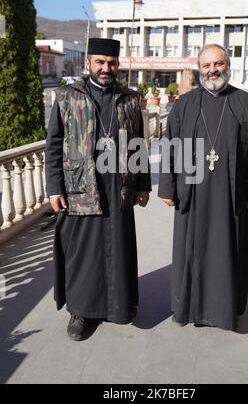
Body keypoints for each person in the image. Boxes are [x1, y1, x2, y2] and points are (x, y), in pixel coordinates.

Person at [45, 38, 151, 340]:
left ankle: (118, 306)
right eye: (100, 62)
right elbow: (53, 146)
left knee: (118, 248)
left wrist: (142, 184)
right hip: (80, 187)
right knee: (82, 254)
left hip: (119, 186)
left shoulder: (130, 99)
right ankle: (80, 312)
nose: (107, 68)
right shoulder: (67, 97)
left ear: (118, 65)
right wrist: (54, 188)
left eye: (112, 63)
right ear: (88, 63)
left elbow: (138, 145)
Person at [158, 44, 248, 331]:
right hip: (190, 194)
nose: (212, 70)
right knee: (190, 252)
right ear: (199, 68)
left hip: (232, 196)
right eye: (206, 65)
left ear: (227, 65)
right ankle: (187, 308)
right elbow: (170, 147)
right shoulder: (184, 104)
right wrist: (168, 188)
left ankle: (224, 310)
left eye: (218, 64)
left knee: (228, 251)